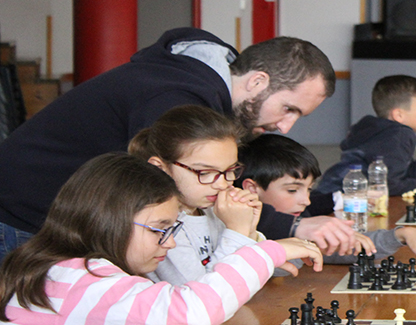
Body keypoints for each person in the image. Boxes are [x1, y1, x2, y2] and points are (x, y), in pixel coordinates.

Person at [0, 28, 357, 261]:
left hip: (64, 212)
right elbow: (178, 192)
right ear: (258, 81)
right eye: (288, 108)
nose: (286, 125)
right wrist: (291, 228)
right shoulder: (176, 97)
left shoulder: (203, 85)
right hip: (27, 213)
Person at [0, 153, 323, 325]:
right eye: (160, 229)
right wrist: (269, 251)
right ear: (111, 221)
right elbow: (191, 311)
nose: (169, 243)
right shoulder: (77, 282)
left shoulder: (74, 273)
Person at [237, 133, 416, 263]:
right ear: (252, 189)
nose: (306, 201)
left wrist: (402, 234)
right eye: (292, 190)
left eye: (308, 189)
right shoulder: (238, 235)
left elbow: (342, 249)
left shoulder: (299, 218)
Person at [127, 104, 268, 285]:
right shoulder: (162, 225)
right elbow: (202, 296)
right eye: (205, 173)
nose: (223, 184)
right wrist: (237, 230)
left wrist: (250, 229)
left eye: (230, 170)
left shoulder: (214, 208)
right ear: (160, 168)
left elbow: (265, 272)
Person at [315, 75, 416, 197]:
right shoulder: (400, 134)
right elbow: (387, 186)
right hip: (339, 201)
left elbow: (405, 175)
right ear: (399, 115)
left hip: (329, 192)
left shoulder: (385, 132)